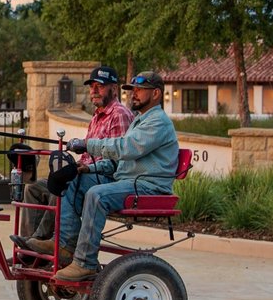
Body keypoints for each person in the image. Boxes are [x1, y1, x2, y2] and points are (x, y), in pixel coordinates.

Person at [51, 70, 181, 281]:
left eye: (139, 90)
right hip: (130, 181)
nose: (133, 94)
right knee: (72, 180)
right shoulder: (141, 120)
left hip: (149, 186)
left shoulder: (158, 122)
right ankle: (66, 245)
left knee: (97, 194)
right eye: (133, 90)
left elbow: (126, 148)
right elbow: (118, 163)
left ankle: (85, 263)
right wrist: (89, 169)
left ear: (156, 94)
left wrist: (88, 145)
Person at [10, 65, 133, 253]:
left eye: (99, 86)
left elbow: (118, 159)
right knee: (34, 188)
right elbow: (86, 155)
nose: (94, 91)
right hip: (88, 174)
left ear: (114, 89)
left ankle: (40, 242)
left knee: (63, 182)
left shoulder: (119, 114)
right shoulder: (97, 116)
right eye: (91, 87)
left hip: (106, 178)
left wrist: (83, 168)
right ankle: (29, 245)